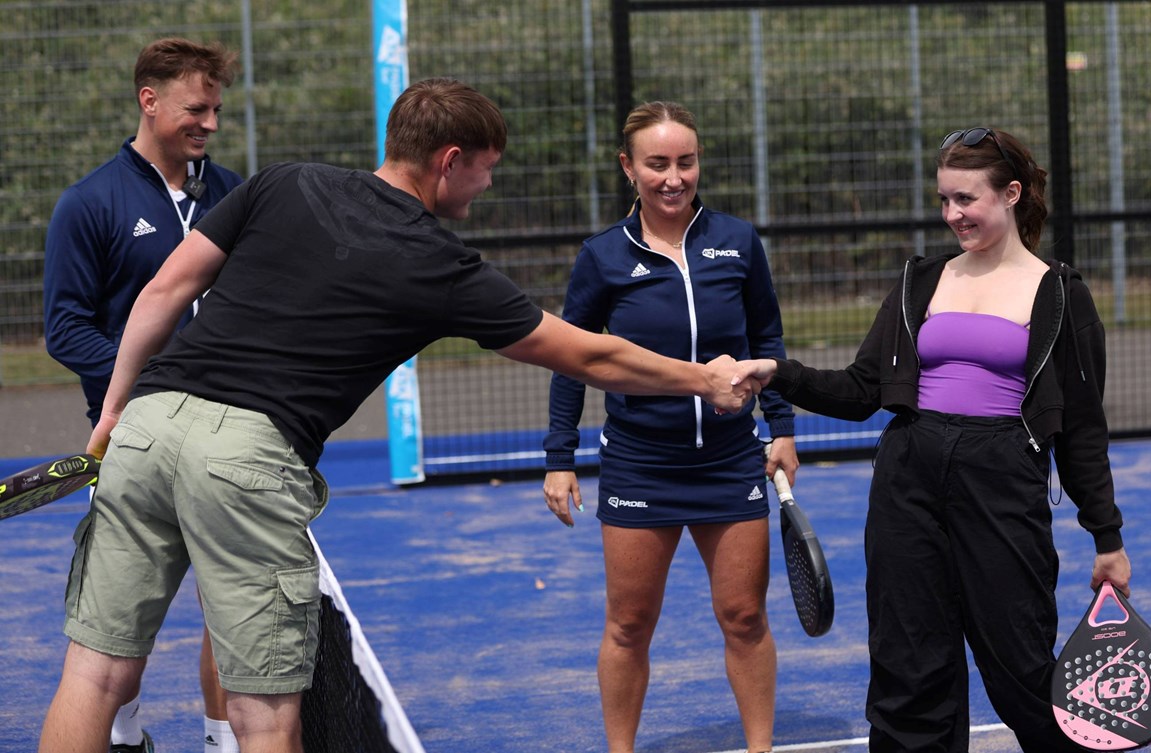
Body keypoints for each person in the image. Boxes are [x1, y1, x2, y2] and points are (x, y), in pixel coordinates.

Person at [36, 77, 762, 753]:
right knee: (263, 711)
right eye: (484, 169)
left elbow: (164, 289)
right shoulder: (438, 263)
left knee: (94, 674)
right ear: (449, 162)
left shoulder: (285, 180)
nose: (485, 186)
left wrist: (114, 419)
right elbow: (589, 357)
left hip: (148, 424)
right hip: (245, 460)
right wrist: (704, 379)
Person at [732, 127, 1130, 752]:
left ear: (1012, 195)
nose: (952, 215)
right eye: (944, 200)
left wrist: (1106, 536)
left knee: (1021, 660)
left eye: (966, 199)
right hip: (907, 474)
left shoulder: (1060, 293)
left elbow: (1082, 427)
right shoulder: (922, 281)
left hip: (1001, 479)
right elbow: (863, 388)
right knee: (908, 666)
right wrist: (777, 373)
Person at [542, 101, 796, 753]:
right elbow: (573, 356)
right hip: (638, 464)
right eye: (657, 163)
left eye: (685, 161)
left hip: (730, 462)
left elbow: (767, 336)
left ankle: (760, 748)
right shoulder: (602, 257)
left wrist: (784, 429)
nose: (673, 177)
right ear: (629, 167)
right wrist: (559, 454)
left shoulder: (738, 241)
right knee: (629, 623)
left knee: (745, 616)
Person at [42, 37, 244, 753]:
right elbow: (64, 329)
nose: (212, 124)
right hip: (130, 445)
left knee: (236, 616)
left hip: (232, 445)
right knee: (119, 635)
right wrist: (146, 381)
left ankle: (223, 738)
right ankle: (125, 736)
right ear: (148, 100)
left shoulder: (233, 194)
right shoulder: (88, 203)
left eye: (217, 109)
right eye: (197, 108)